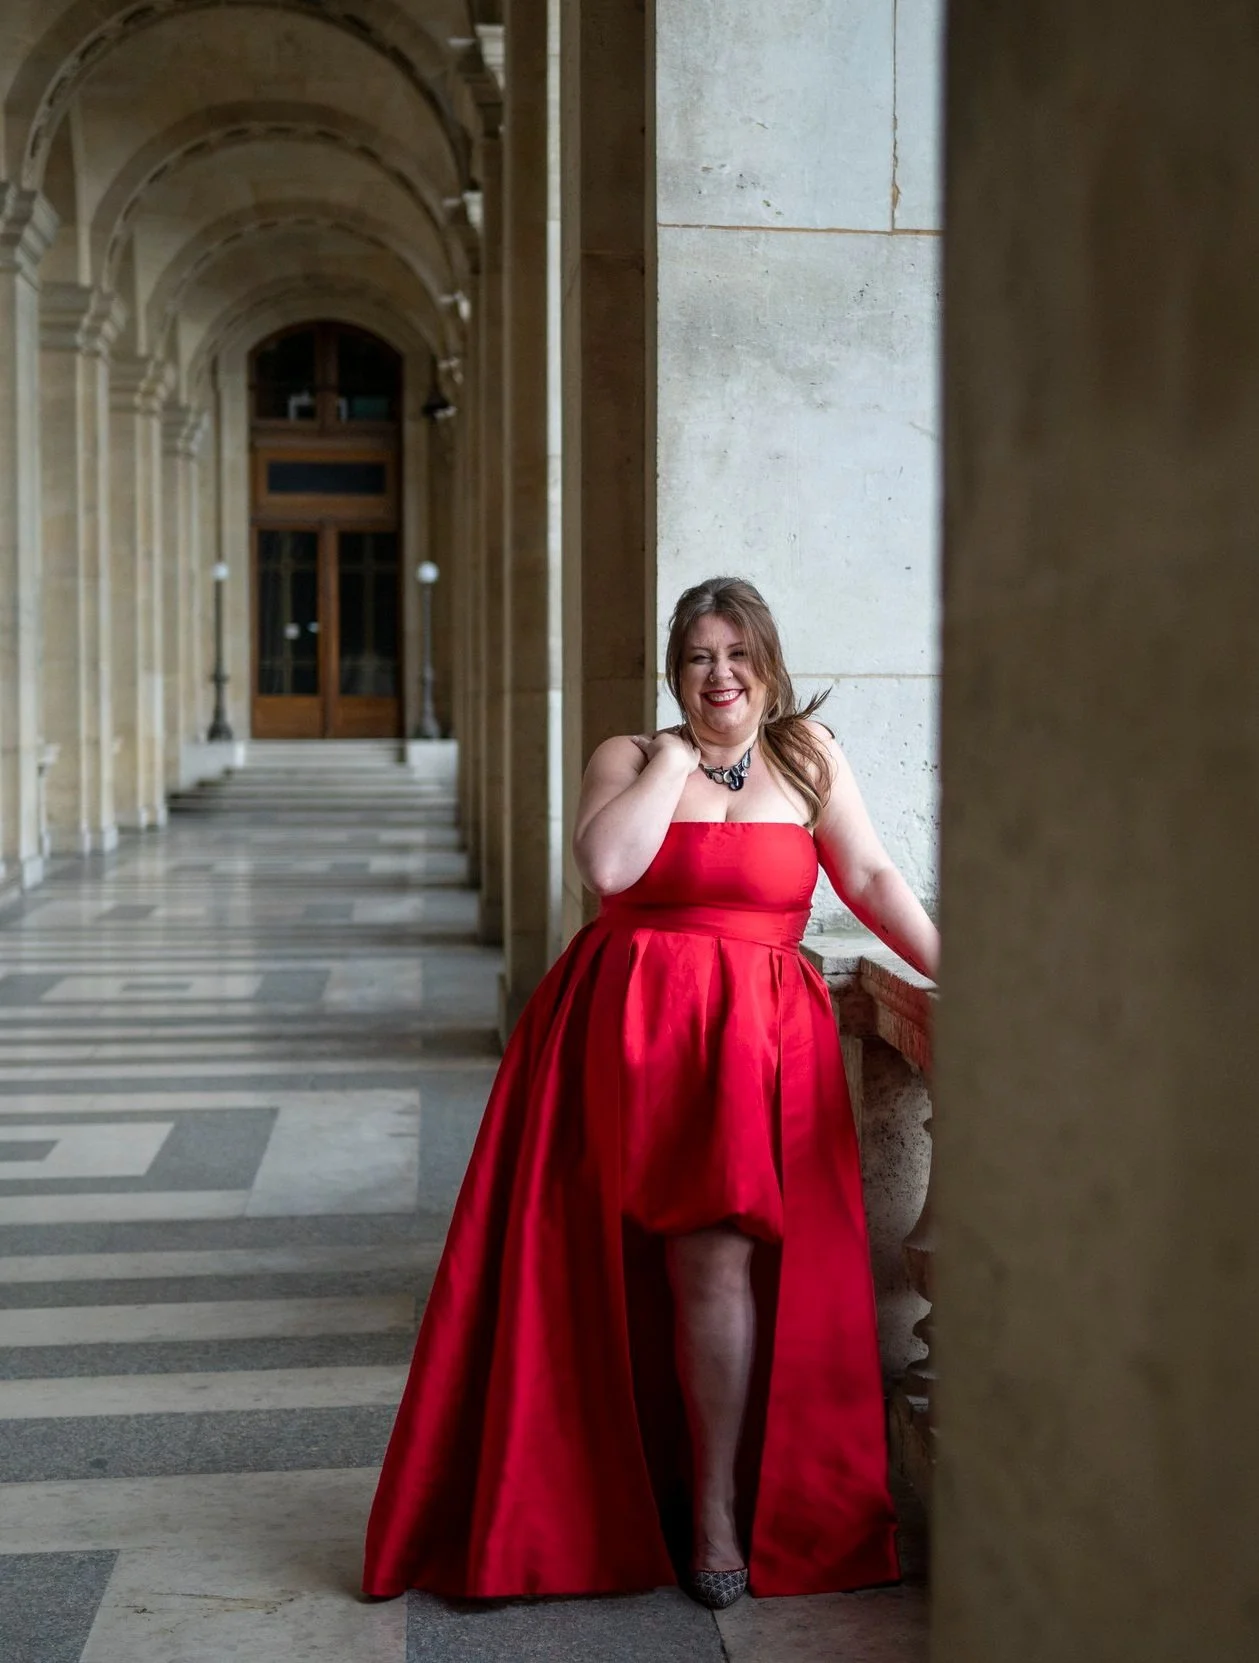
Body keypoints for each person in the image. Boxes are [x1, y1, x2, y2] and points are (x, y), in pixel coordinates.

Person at [363, 576, 940, 1609]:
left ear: (768, 662)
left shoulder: (808, 757)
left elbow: (870, 880)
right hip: (634, 1040)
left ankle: (715, 1506)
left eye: (738, 653)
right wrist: (676, 759)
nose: (721, 674)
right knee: (635, 1272)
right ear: (675, 673)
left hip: (756, 1045)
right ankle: (683, 1510)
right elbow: (607, 868)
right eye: (699, 657)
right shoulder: (628, 758)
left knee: (720, 1265)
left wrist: (961, 971)